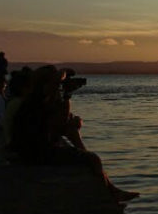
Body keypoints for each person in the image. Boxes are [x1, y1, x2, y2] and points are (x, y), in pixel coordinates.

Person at [10, 65, 139, 202]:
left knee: (79, 146)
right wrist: (66, 91)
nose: (58, 87)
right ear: (46, 84)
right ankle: (110, 194)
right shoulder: (38, 103)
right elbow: (59, 124)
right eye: (57, 84)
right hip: (35, 154)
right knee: (93, 159)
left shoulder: (36, 101)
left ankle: (111, 190)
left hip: (32, 150)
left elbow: (58, 123)